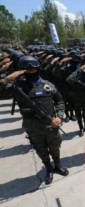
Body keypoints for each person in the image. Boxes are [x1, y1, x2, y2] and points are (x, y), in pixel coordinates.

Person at [0, 56, 68, 185]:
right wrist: (7, 79)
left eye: (33, 68)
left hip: (50, 124)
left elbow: (59, 100)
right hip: (32, 126)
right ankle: (48, 168)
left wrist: (59, 116)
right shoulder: (16, 87)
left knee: (55, 146)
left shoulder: (47, 85)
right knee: (40, 149)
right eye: (27, 69)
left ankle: (57, 165)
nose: (31, 71)